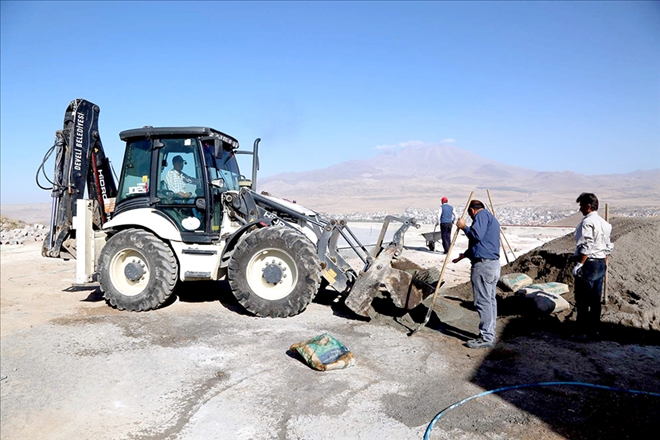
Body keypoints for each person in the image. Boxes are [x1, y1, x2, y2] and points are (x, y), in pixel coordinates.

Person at [452, 200, 501, 349]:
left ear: (472, 211)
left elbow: (476, 236)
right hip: (492, 264)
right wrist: (465, 255)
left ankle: (486, 337)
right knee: (490, 300)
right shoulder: (490, 218)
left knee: (483, 302)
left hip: (483, 266)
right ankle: (489, 332)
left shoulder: (480, 216)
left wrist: (463, 227)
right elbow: (481, 244)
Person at [572, 192, 613, 341]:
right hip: (601, 262)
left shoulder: (587, 223)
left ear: (588, 206)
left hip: (589, 264)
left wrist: (580, 264)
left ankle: (581, 332)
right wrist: (603, 260)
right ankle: (594, 331)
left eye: (581, 205)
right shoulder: (605, 223)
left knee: (583, 300)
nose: (580, 209)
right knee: (595, 301)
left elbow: (587, 246)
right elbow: (608, 247)